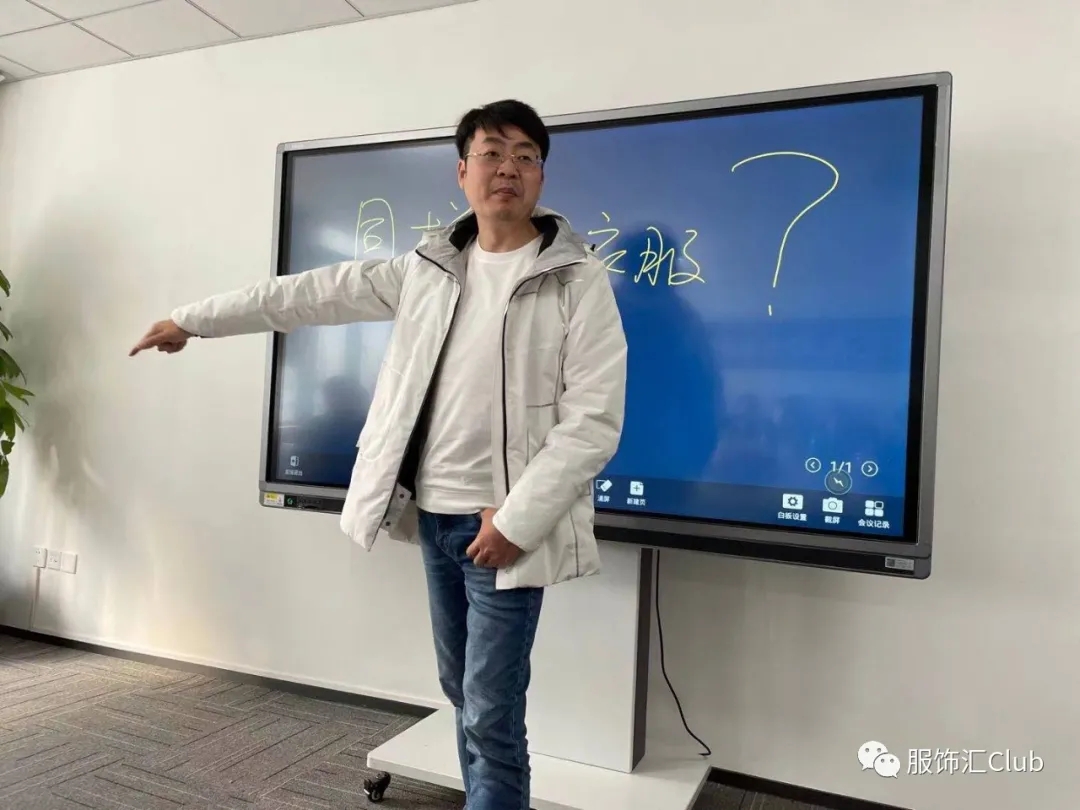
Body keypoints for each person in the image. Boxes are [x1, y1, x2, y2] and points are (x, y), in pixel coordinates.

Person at [130, 99, 627, 810]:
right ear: (462, 172)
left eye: (525, 156)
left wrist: (517, 521)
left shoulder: (578, 281)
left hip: (502, 527)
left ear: (541, 176)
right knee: (464, 692)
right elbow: (307, 295)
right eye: (491, 153)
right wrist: (192, 321)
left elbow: (593, 421)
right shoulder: (427, 269)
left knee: (490, 710)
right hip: (434, 520)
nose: (508, 168)